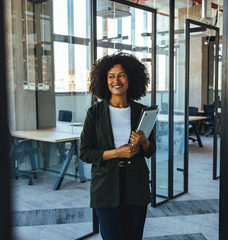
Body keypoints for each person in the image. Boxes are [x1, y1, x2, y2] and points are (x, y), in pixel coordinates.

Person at [80, 52, 156, 240]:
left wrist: (145, 142)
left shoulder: (142, 111)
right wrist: (117, 152)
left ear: (130, 78)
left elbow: (150, 151)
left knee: (134, 236)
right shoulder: (95, 113)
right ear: (104, 81)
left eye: (121, 75)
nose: (116, 80)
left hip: (136, 185)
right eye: (111, 76)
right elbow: (85, 152)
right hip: (105, 186)